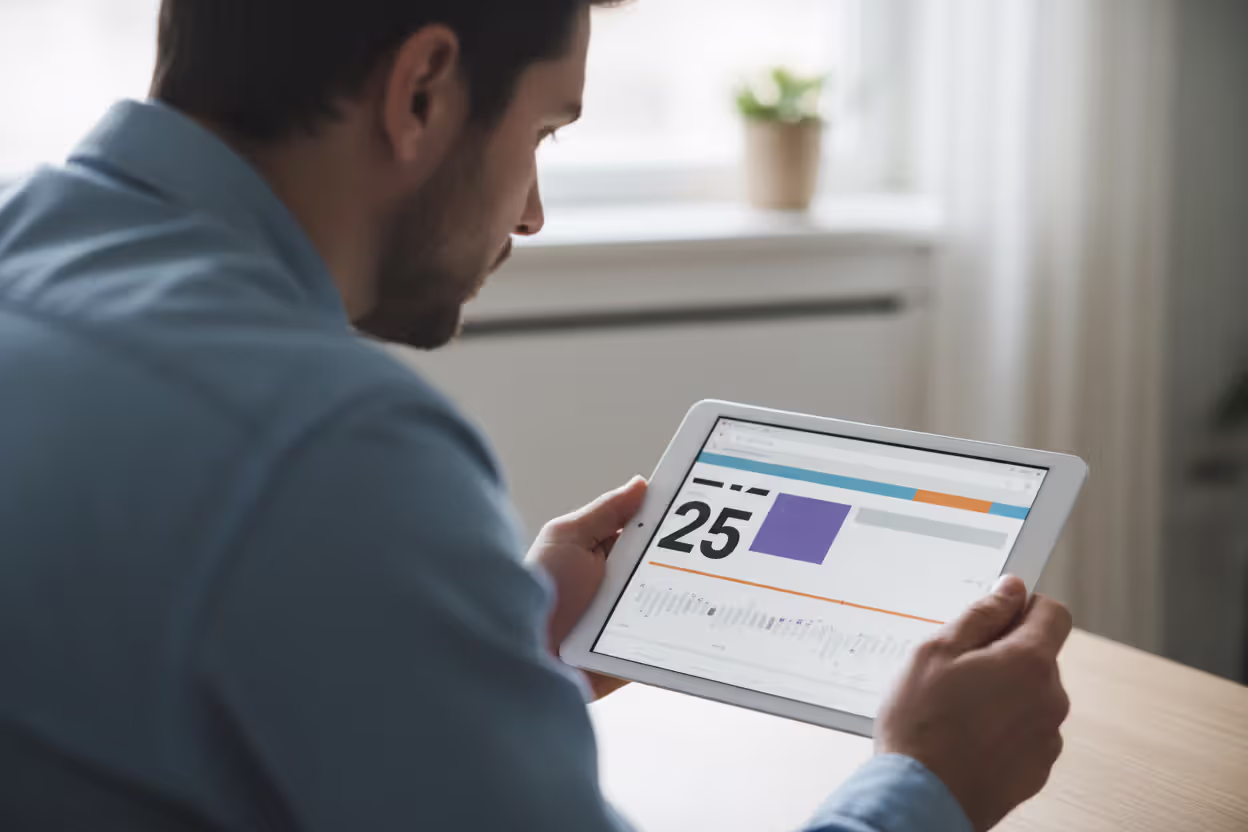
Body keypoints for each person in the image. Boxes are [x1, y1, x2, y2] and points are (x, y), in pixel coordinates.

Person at [0, 1, 1073, 830]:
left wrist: (502, 636)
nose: (531, 212)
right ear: (422, 87)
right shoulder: (331, 446)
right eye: (547, 130)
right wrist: (927, 780)